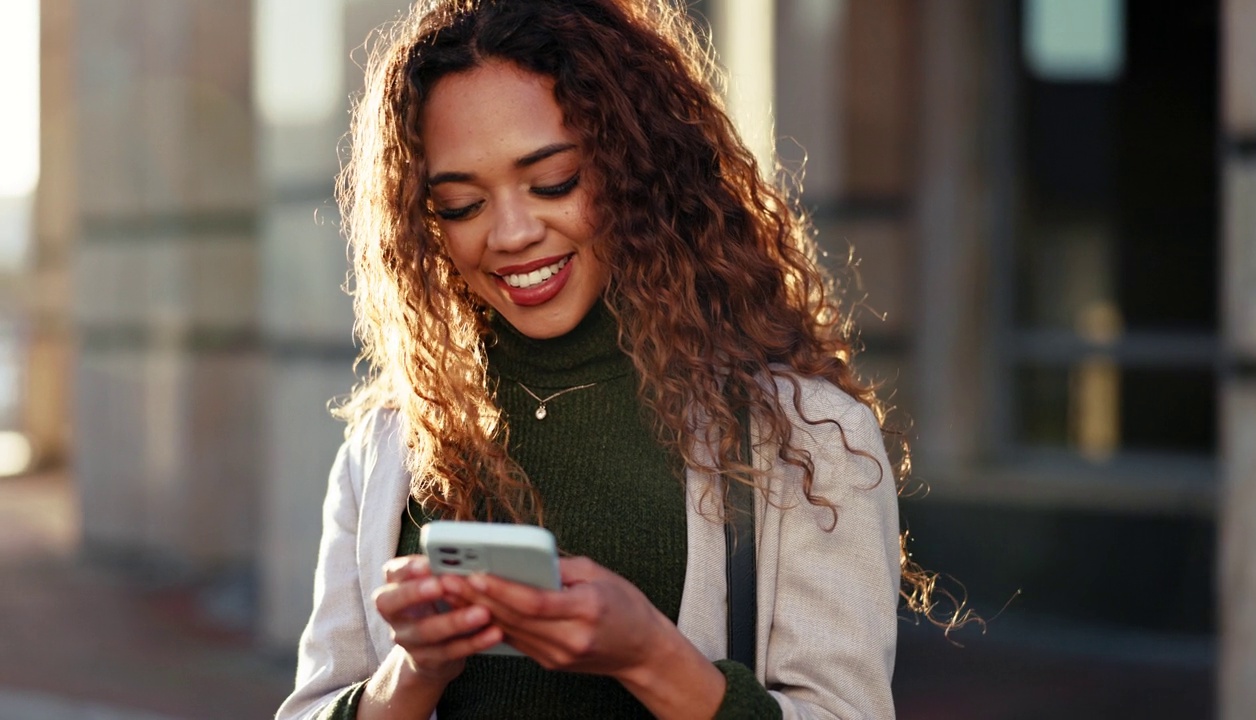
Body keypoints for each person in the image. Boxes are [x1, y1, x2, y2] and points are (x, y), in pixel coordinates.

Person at [278, 0, 931, 717]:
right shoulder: (390, 447)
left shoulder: (806, 440)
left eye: (553, 182)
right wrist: (415, 670)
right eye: (462, 204)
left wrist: (650, 656)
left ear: (636, 169)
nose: (512, 233)